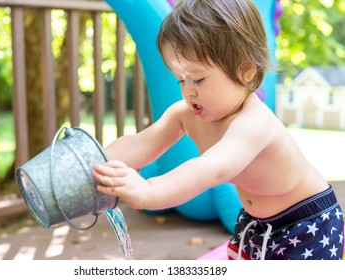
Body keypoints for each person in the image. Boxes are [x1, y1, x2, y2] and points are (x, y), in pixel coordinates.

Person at [93, 0, 344, 260]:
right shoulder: (184, 114)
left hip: (308, 224)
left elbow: (209, 169)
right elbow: (142, 143)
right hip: (256, 222)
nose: (188, 90)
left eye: (199, 79)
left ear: (245, 71)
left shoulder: (253, 124)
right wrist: (96, 163)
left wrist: (149, 192)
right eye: (181, 79)